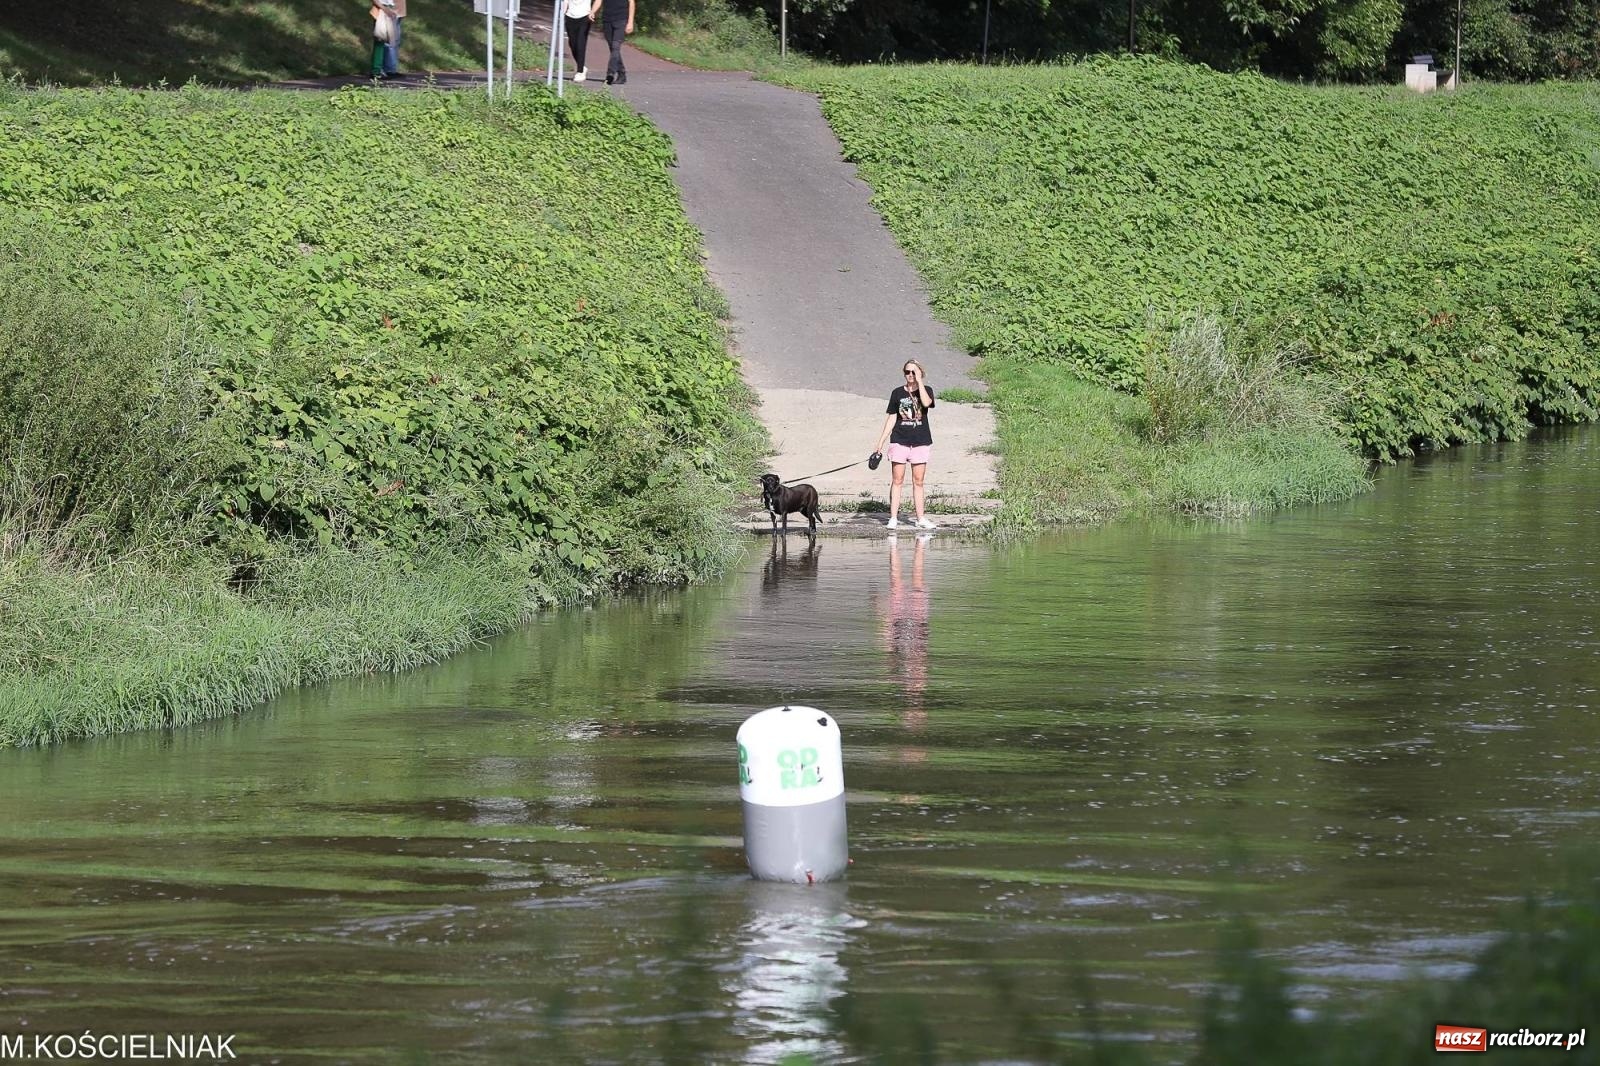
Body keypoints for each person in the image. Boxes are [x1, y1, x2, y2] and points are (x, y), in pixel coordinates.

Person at [872, 359, 937, 530]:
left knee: (918, 481)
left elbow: (926, 403)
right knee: (897, 479)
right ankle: (893, 517)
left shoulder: (926, 390)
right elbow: (892, 417)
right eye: (907, 372)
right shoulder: (897, 393)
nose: (910, 375)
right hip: (900, 440)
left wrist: (920, 382)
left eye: (913, 372)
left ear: (919, 373)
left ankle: (920, 518)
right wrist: (880, 442)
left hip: (921, 441)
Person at [591, 0, 634, 85]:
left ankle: (610, 73)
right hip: (607, 20)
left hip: (621, 19)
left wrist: (630, 22)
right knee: (613, 48)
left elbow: (631, 3)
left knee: (615, 46)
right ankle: (622, 74)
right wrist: (592, 11)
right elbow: (598, 1)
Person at [564, 0, 593, 81]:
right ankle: (582, 66)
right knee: (572, 44)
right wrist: (562, 13)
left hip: (584, 16)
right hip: (570, 17)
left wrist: (593, 11)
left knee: (580, 43)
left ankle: (580, 72)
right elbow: (565, 2)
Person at [368, 0, 397, 79]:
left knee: (385, 41)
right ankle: (376, 70)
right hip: (381, 9)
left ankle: (379, 69)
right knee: (380, 39)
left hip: (388, 9)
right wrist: (384, 9)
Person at [382, 0, 408, 77]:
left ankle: (392, 68)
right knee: (390, 41)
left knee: (395, 41)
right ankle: (388, 69)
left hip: (398, 11)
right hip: (391, 10)